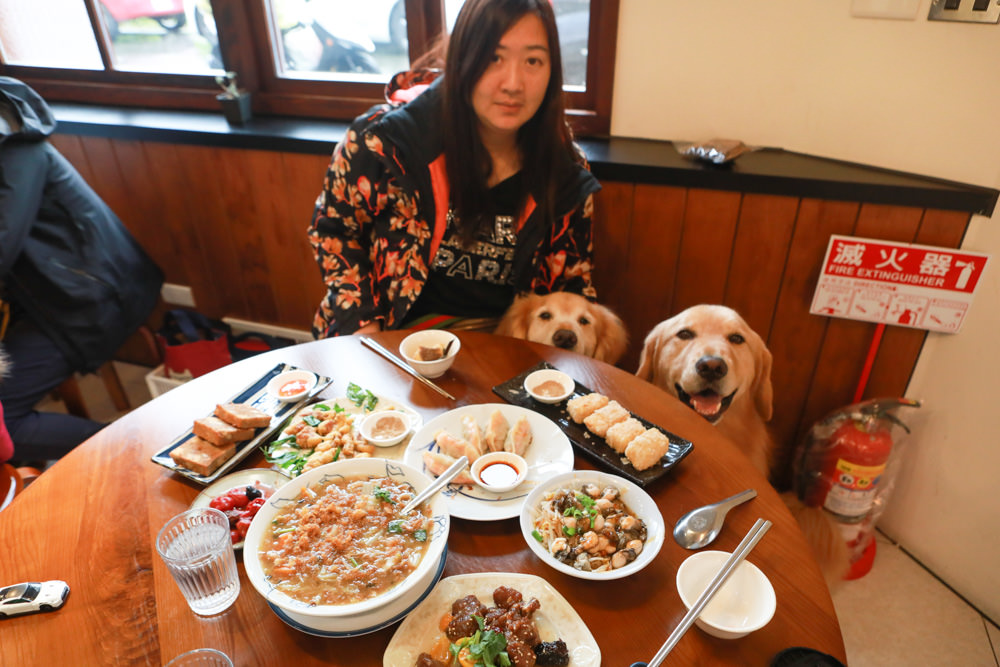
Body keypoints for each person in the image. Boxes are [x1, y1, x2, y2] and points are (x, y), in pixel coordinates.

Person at [308, 0, 600, 338]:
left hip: (506, 344)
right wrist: (366, 329)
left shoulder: (566, 172)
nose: (513, 83)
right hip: (392, 334)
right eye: (494, 58)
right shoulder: (384, 141)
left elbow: (573, 284)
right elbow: (333, 231)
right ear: (462, 59)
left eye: (533, 61)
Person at [0, 77, 164, 461]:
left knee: (5, 422)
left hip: (92, 298)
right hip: (49, 294)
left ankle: (132, 450)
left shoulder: (16, 150)